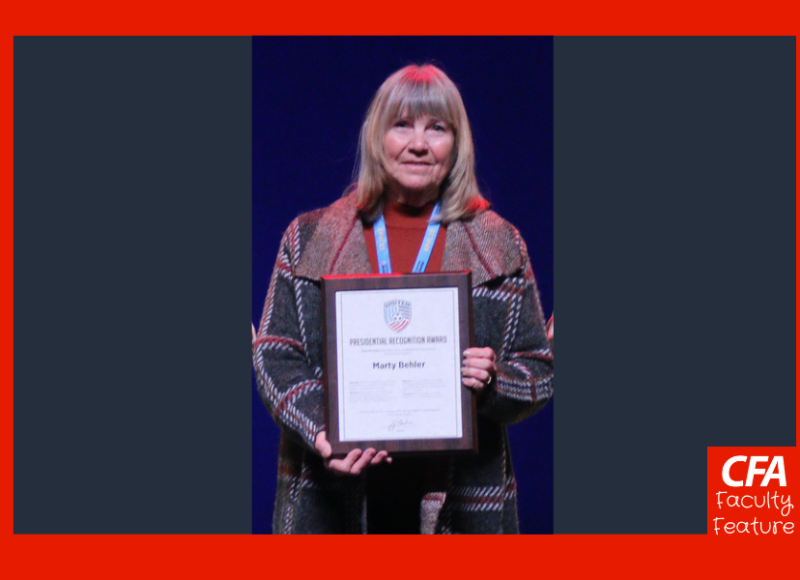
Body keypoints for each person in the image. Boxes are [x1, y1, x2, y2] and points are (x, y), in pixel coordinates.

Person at [253, 64, 553, 534]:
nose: (419, 143)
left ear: (456, 144)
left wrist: (494, 380)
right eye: (402, 125)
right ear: (378, 138)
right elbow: (275, 354)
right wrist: (321, 430)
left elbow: (538, 367)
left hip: (461, 502)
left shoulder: (502, 243)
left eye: (437, 128)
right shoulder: (308, 236)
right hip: (332, 499)